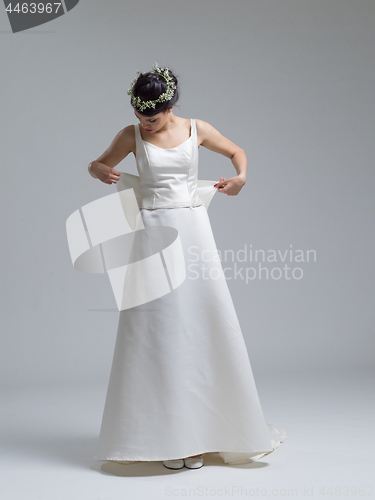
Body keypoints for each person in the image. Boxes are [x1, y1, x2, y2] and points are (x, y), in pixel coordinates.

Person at [88, 63, 286, 470]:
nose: (144, 122)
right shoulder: (130, 135)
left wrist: (241, 177)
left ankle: (201, 435)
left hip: (193, 232)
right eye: (139, 115)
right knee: (155, 332)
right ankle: (166, 437)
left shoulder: (197, 128)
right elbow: (96, 164)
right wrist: (100, 170)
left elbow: (237, 152)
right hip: (153, 234)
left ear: (171, 106)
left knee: (199, 325)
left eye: (152, 116)